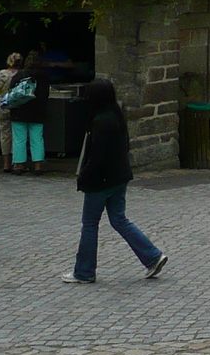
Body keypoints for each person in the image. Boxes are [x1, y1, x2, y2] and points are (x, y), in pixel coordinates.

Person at [62, 79, 167, 284]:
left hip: (101, 181)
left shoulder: (100, 121)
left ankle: (84, 271)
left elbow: (96, 157)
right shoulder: (117, 117)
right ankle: (153, 256)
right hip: (119, 177)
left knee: (90, 224)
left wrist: (84, 177)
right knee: (119, 219)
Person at [6, 61, 50, 176]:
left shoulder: (20, 75)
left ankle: (19, 166)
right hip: (38, 113)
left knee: (19, 140)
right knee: (37, 139)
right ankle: (38, 166)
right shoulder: (44, 77)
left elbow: (11, 92)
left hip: (19, 112)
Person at [0, 53, 22, 172]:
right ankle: (17, 163)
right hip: (16, 105)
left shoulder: (2, 73)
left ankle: (5, 163)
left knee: (5, 135)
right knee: (17, 135)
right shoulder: (21, 74)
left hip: (3, 104)